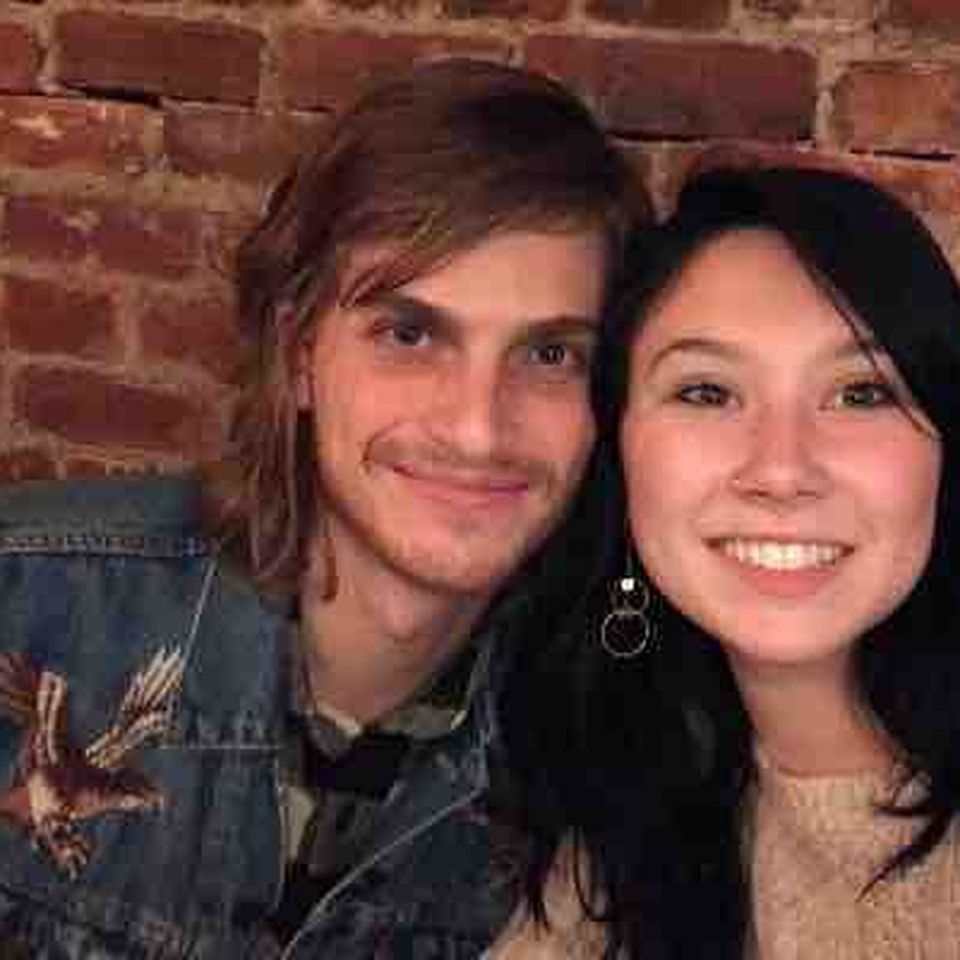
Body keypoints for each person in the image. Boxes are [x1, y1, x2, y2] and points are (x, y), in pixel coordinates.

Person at [0, 59, 649, 958]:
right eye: (409, 334)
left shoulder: (620, 759)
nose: (477, 429)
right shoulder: (27, 602)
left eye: (550, 355)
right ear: (299, 353)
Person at [491, 166, 960, 958]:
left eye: (861, 393)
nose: (781, 470)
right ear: (620, 453)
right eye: (707, 393)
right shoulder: (612, 840)